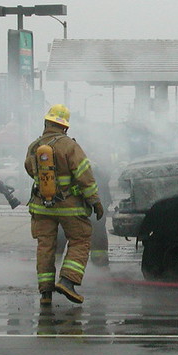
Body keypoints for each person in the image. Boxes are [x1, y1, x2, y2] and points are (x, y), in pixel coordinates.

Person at [24, 104, 104, 305]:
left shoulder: (34, 146)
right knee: (80, 239)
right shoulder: (70, 146)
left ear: (46, 123)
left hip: (41, 206)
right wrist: (95, 201)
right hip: (70, 206)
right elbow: (84, 175)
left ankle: (45, 293)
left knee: (45, 247)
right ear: (65, 127)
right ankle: (67, 281)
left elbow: (30, 170)